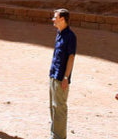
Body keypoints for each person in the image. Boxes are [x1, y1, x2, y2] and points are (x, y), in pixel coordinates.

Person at [49, 8, 76, 139]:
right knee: (53, 107)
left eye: (55, 17)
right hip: (54, 74)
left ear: (62, 19)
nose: (53, 19)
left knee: (59, 108)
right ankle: (54, 135)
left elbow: (71, 57)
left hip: (61, 77)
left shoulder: (70, 36)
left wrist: (66, 77)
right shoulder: (59, 33)